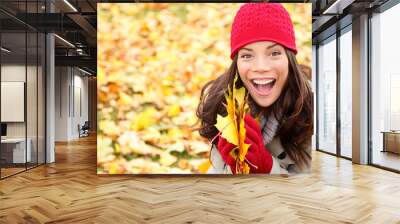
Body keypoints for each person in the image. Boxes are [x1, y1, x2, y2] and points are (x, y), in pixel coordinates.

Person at [196, 3, 313, 174]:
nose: (261, 67)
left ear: (289, 59)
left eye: (274, 53)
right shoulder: (223, 104)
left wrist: (265, 167)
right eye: (247, 55)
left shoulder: (311, 115)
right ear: (237, 62)